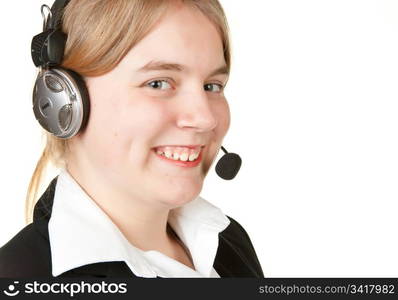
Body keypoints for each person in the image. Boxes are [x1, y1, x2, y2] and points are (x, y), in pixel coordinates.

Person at [0, 0, 264, 278]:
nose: (205, 118)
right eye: (158, 83)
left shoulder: (228, 241)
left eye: (212, 86)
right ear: (63, 100)